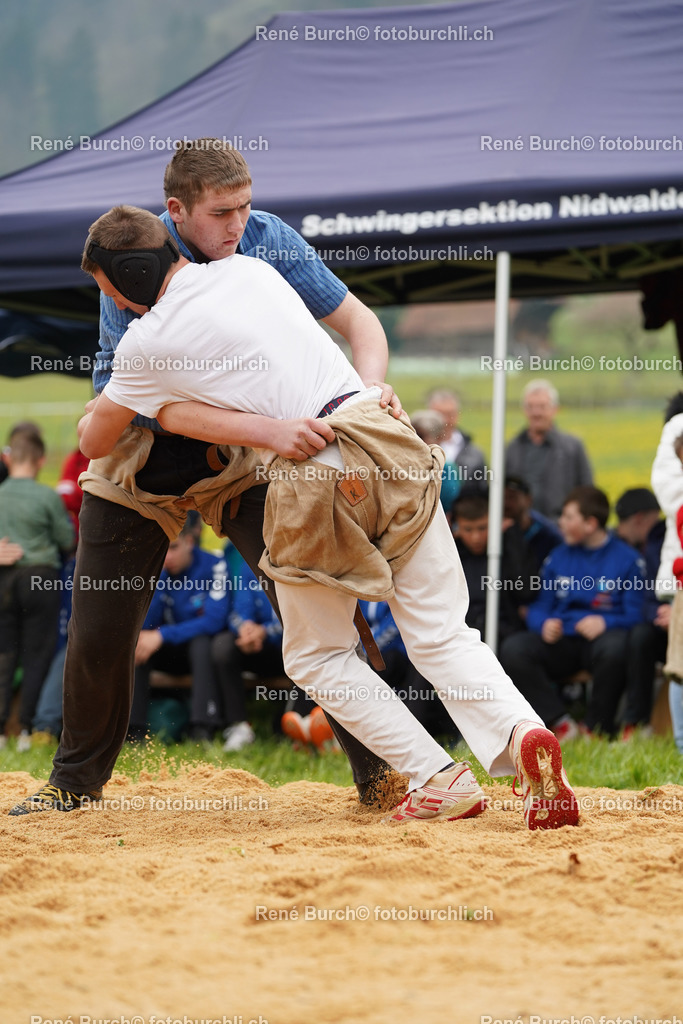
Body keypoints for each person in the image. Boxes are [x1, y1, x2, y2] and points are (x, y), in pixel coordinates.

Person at [71, 204, 578, 830]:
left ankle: (437, 777)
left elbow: (95, 440)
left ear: (135, 273)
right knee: (443, 632)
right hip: (384, 435)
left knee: (315, 656)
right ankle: (523, 734)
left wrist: (113, 401)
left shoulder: (146, 344)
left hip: (313, 476)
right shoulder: (252, 271)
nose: (114, 306)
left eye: (110, 289)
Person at [10, 140, 395, 815]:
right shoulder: (133, 263)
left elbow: (357, 322)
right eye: (222, 213)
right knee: (100, 624)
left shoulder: (265, 239)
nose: (238, 225)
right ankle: (73, 787)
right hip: (141, 452)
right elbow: (131, 403)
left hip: (240, 458)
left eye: (245, 206)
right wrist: (268, 430)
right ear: (176, 214)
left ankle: (383, 774)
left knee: (312, 601)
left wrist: (363, 398)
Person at [499, 486, 645, 740]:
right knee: (514, 649)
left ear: (590, 523)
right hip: (561, 641)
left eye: (568, 517)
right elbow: (539, 606)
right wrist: (544, 623)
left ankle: (597, 729)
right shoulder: (558, 556)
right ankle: (561, 724)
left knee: (615, 647)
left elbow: (638, 614)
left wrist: (605, 621)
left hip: (601, 644)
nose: (560, 523)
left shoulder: (627, 560)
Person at [0, 433, 74, 749]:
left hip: (4, 578)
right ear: (41, 461)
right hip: (40, 578)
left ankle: (1, 732)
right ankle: (27, 730)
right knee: (36, 654)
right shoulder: (47, 497)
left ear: (9, 459)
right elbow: (67, 539)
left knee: (4, 655)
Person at [130, 518, 229, 743]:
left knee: (202, 643)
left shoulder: (215, 565)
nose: (168, 557)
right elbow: (145, 624)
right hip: (165, 650)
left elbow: (214, 621)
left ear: (190, 541)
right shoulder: (157, 568)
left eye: (173, 548)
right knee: (140, 642)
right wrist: (158, 578)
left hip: (199, 651)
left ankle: (202, 728)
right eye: (163, 550)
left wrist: (163, 634)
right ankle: (133, 731)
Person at [613, 488, 667, 737]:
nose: (620, 532)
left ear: (636, 520)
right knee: (639, 637)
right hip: (663, 625)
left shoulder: (660, 543)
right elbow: (646, 598)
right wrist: (661, 613)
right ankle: (635, 724)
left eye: (622, 524)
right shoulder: (651, 546)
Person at [451, 488, 537, 643]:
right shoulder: (451, 555)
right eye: (468, 529)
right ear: (456, 528)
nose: (476, 538)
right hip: (461, 635)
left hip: (503, 634)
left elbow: (526, 590)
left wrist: (512, 537)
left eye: (482, 528)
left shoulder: (507, 552)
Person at [505, 380, 593, 519]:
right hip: (522, 529)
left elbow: (587, 492)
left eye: (542, 406)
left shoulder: (573, 448)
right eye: (531, 407)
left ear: (555, 409)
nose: (536, 413)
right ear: (524, 410)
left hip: (561, 529)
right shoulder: (511, 449)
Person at [650, 394, 683, 751]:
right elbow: (672, 494)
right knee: (680, 663)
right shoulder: (678, 426)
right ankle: (681, 747)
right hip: (681, 577)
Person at [426, 389, 486, 486]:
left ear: (457, 415)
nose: (445, 420)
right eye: (439, 415)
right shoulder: (417, 447)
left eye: (450, 414)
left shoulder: (475, 454)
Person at [503, 475, 563, 571]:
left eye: (512, 497)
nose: (506, 503)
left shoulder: (548, 535)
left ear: (528, 500)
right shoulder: (489, 534)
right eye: (502, 498)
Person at [411, 408, 460, 513]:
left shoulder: (446, 468)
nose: (416, 440)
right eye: (412, 433)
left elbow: (450, 501)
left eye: (421, 435)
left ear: (439, 438)